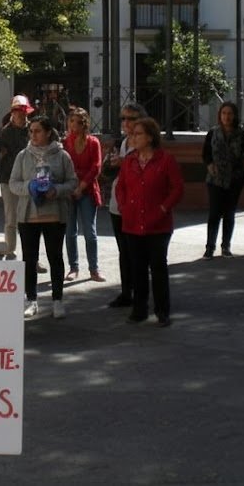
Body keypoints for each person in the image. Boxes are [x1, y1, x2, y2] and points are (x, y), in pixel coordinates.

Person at [115, 117, 184, 327]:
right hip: (132, 223)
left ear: (150, 137)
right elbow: (121, 187)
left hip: (158, 224)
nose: (133, 138)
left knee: (158, 267)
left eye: (138, 134)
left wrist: (163, 208)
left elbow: (177, 188)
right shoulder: (129, 161)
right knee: (137, 268)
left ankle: (162, 311)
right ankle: (139, 310)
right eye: (132, 134)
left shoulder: (165, 160)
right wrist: (124, 207)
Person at [8, 115, 77, 319]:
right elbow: (13, 183)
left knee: (55, 257)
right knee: (29, 259)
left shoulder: (62, 155)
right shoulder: (23, 155)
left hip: (54, 215)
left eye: (38, 131)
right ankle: (31, 300)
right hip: (28, 216)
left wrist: (57, 190)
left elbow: (72, 182)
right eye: (31, 131)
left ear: (48, 132)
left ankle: (57, 300)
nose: (33, 135)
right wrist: (29, 187)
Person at [103, 101, 147, 308]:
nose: (126, 122)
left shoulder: (146, 143)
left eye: (131, 118)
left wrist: (125, 163)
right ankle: (126, 292)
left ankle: (140, 294)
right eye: (123, 118)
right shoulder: (123, 143)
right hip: (118, 203)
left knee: (137, 251)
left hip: (137, 205)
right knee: (123, 250)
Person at [0, 95, 46, 270]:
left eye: (23, 110)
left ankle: (33, 259)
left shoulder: (34, 129)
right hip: (9, 179)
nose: (20, 114)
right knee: (11, 219)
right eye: (17, 110)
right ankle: (10, 254)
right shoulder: (3, 132)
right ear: (12, 112)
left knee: (33, 220)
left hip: (31, 179)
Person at [202, 101, 244, 258]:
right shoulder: (213, 132)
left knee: (229, 213)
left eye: (230, 114)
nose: (227, 117)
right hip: (215, 178)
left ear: (234, 115)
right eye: (224, 113)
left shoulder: (241, 133)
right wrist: (210, 165)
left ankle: (226, 246)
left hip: (234, 178)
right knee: (214, 213)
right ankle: (210, 247)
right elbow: (206, 153)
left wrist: (236, 158)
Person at [63, 107, 104, 281]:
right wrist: (71, 187)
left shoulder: (93, 142)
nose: (73, 125)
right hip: (69, 190)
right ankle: (73, 267)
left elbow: (96, 167)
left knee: (90, 232)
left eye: (76, 122)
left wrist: (81, 187)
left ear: (84, 124)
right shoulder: (65, 142)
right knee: (70, 231)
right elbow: (63, 167)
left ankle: (94, 269)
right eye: (71, 121)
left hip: (87, 190)